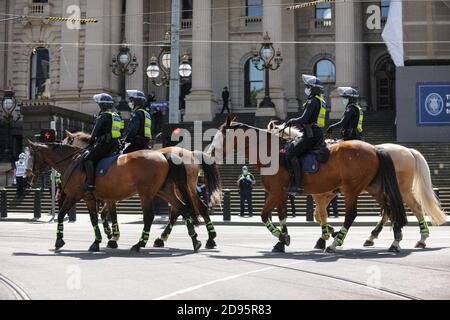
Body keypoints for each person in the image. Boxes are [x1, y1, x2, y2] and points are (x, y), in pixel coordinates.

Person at [284, 74, 327, 194]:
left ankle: (297, 185)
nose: (306, 88)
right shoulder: (320, 100)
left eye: (307, 86)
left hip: (310, 135)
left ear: (313, 88)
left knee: (291, 154)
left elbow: (304, 118)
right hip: (316, 133)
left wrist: (292, 121)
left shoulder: (312, 101)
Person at [81, 93, 122, 194]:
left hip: (105, 144)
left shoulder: (103, 116)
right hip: (115, 144)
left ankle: (90, 183)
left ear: (102, 105)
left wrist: (90, 143)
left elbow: (95, 133)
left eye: (99, 104)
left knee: (87, 158)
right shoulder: (116, 116)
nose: (98, 105)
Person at [122, 90, 152, 154]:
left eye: (132, 101)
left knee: (122, 154)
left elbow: (133, 130)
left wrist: (125, 140)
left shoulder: (137, 113)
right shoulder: (146, 114)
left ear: (136, 102)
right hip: (145, 142)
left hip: (137, 143)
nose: (131, 103)